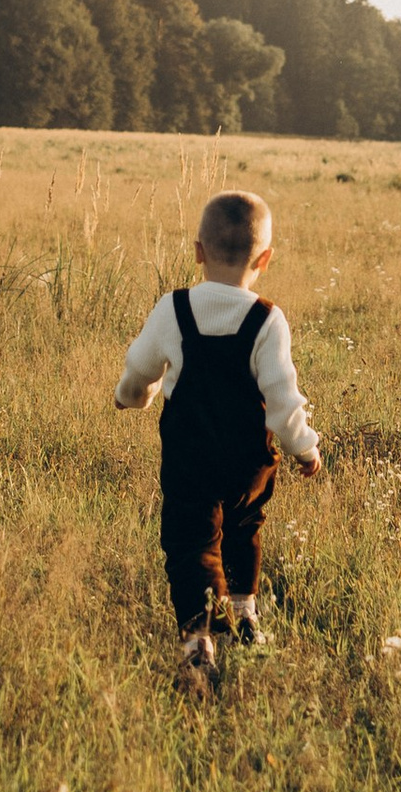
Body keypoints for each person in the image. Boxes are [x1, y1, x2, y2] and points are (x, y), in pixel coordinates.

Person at [115, 187, 321, 688]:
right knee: (245, 523)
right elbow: (282, 397)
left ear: (198, 251)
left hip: (189, 456)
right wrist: (305, 447)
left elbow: (140, 367)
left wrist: (132, 395)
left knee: (192, 542)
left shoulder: (175, 308)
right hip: (249, 458)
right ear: (265, 259)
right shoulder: (267, 319)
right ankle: (245, 612)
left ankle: (199, 641)